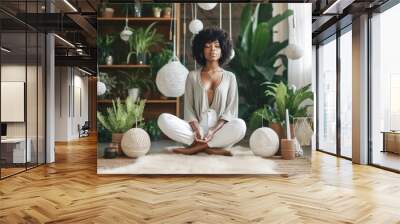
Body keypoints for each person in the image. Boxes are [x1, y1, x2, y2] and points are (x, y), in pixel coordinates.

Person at [157, 27, 246, 156]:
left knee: (240, 125)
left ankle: (197, 148)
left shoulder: (230, 77)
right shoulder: (192, 76)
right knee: (163, 119)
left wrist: (212, 131)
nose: (213, 50)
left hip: (219, 132)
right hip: (195, 131)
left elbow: (230, 112)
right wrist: (196, 128)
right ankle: (208, 148)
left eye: (217, 46)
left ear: (223, 49)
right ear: (201, 50)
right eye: (207, 46)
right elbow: (188, 108)